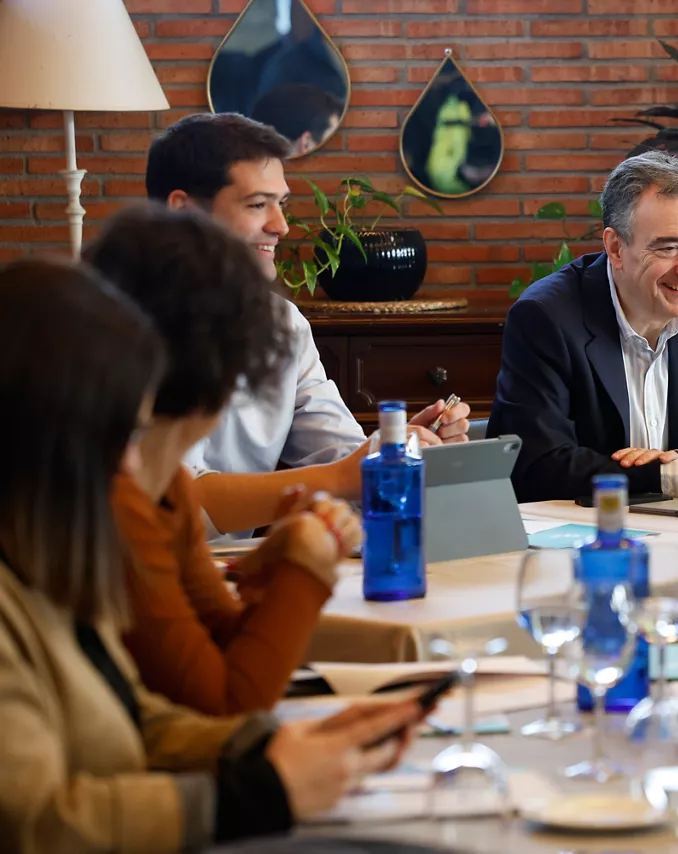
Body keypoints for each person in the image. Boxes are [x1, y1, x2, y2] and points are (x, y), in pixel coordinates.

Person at [0, 258, 431, 853]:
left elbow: (135, 715)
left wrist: (268, 746)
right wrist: (264, 789)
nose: (130, 467)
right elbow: (38, 825)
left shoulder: (42, 549)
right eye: (117, 438)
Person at [84, 205, 358, 716]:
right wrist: (305, 568)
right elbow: (227, 700)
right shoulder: (116, 500)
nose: (281, 221)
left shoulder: (167, 491)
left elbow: (217, 638)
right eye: (259, 203)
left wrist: (270, 567)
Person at [144, 113, 471, 537]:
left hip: (228, 579)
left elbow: (340, 460)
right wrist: (345, 475)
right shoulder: (109, 327)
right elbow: (162, 500)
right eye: (258, 204)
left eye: (281, 203)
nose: (280, 226)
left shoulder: (282, 323)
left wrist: (393, 456)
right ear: (183, 211)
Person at [488, 151, 678, 502]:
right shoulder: (546, 317)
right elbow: (535, 466)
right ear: (615, 247)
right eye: (668, 248)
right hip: (587, 536)